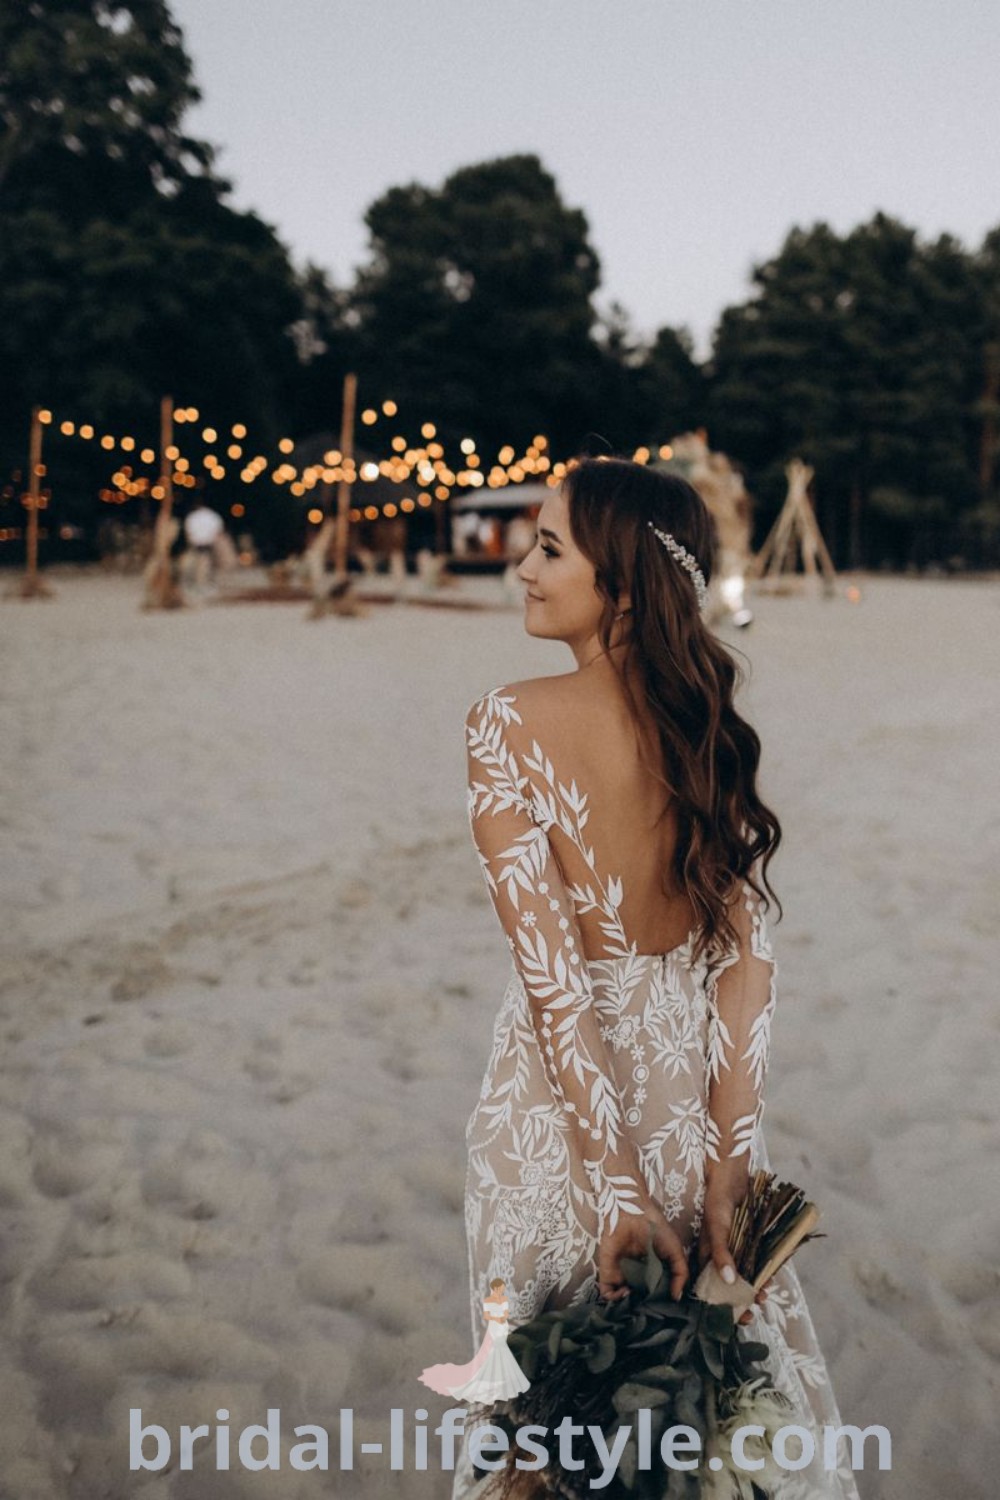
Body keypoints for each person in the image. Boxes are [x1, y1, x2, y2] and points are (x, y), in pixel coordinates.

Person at [451, 458, 861, 1499]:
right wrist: (727, 1159)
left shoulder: (506, 719)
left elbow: (553, 978)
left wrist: (616, 1186)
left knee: (555, 1418)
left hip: (557, 1114)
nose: (522, 570)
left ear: (623, 580)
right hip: (691, 1099)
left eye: (549, 548)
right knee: (704, 1401)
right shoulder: (704, 725)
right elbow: (747, 961)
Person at [418, 1277, 530, 1404]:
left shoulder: (503, 1300)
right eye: (498, 1289)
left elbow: (505, 1313)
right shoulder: (489, 1300)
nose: (499, 1290)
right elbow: (487, 1315)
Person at [183, 502, 224, 591]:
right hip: (208, 542)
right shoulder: (212, 515)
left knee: (197, 561)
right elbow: (218, 529)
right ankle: (203, 580)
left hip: (196, 542)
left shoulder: (192, 516)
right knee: (206, 562)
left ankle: (198, 580)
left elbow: (188, 531)